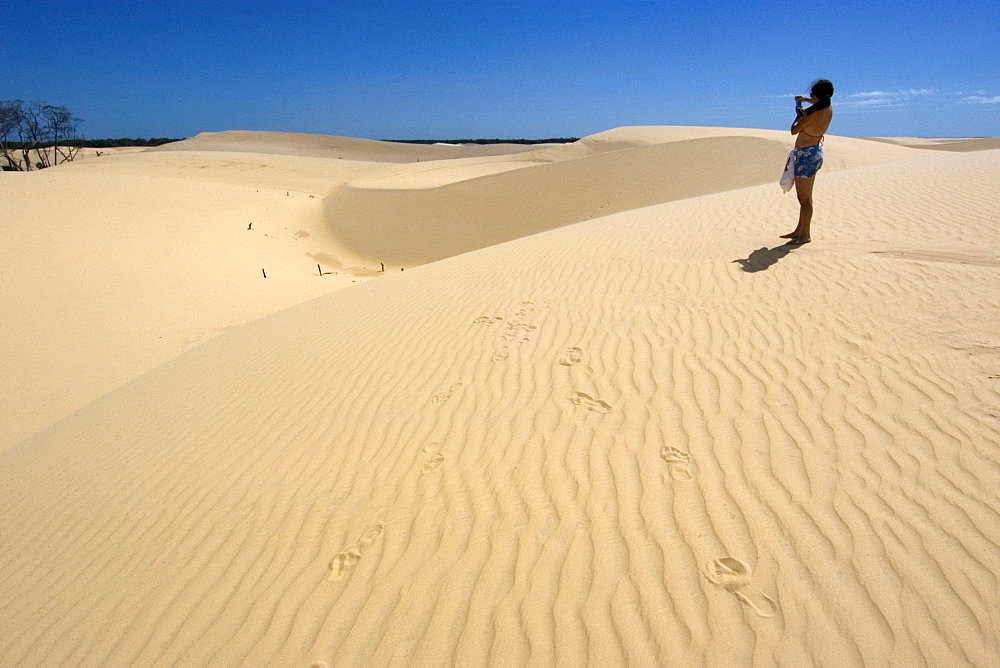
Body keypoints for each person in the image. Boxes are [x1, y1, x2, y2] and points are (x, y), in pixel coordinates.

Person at [781, 79, 834, 244]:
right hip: (813, 153)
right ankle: (800, 230)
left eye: (812, 94)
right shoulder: (827, 108)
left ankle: (805, 235)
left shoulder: (815, 113)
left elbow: (794, 130)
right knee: (806, 197)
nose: (810, 96)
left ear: (818, 96)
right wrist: (804, 100)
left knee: (803, 199)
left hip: (805, 156)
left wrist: (798, 113)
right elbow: (817, 102)